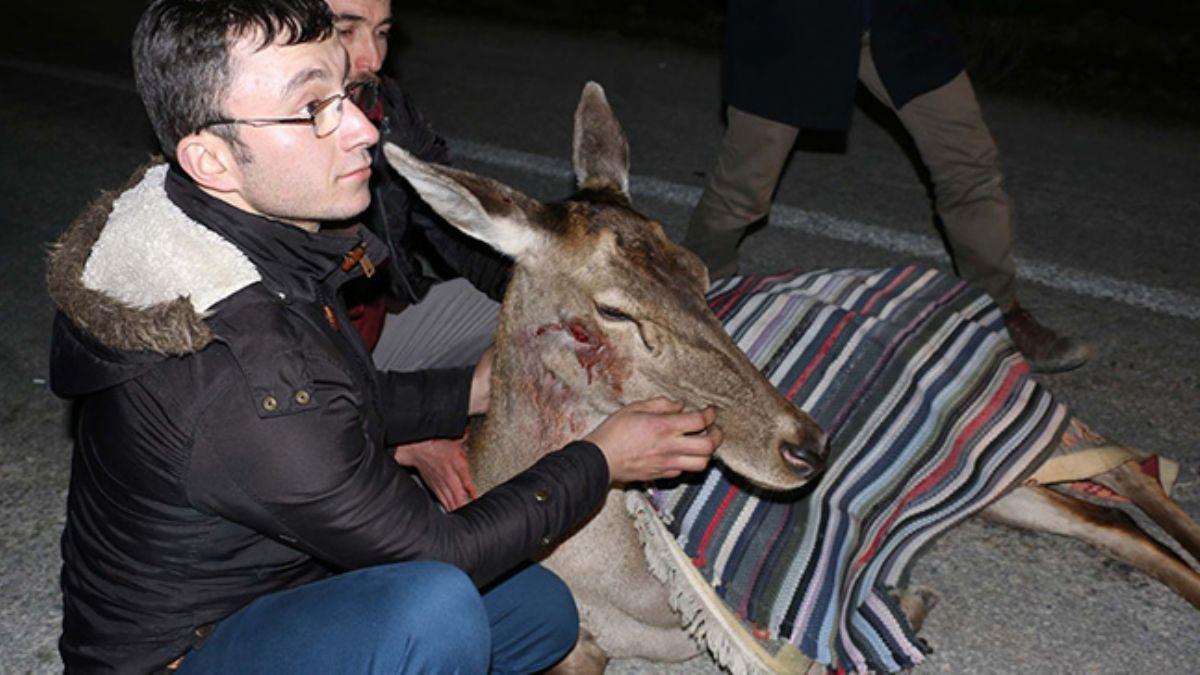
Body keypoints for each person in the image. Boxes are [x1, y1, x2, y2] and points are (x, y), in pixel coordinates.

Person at [46, 0, 720, 671]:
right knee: (434, 606)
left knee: (539, 608)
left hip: (279, 588)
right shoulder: (243, 367)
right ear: (212, 158)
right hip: (179, 652)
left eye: (347, 94)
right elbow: (438, 549)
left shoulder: (234, 236)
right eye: (314, 110)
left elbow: (343, 396)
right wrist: (601, 456)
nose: (364, 130)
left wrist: (470, 389)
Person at [682, 0, 1094, 373]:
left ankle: (997, 313)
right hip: (796, 19)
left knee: (969, 163)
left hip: (898, 19)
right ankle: (694, 294)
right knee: (743, 190)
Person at [325, 0, 508, 512]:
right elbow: (280, 381)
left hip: (378, 333)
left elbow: (457, 224)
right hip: (317, 389)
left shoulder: (381, 110)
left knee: (550, 306)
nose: (372, 59)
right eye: (345, 29)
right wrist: (410, 439)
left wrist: (546, 289)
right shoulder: (260, 150)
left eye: (382, 33)